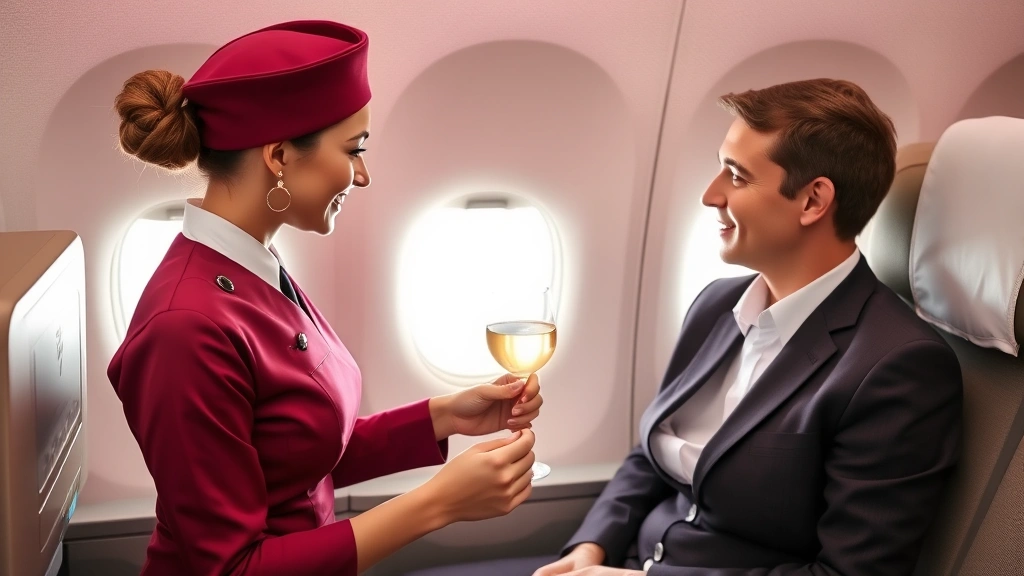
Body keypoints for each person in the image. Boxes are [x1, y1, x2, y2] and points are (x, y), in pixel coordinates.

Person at [409, 79, 963, 575]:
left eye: (737, 175)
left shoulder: (896, 365)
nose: (710, 194)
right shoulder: (717, 306)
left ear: (813, 200)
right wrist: (589, 549)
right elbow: (647, 460)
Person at [108, 20, 544, 576]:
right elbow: (232, 568)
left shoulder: (252, 268)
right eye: (353, 150)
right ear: (280, 156)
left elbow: (294, 452)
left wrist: (444, 416)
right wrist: (437, 504)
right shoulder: (184, 329)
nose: (362, 176)